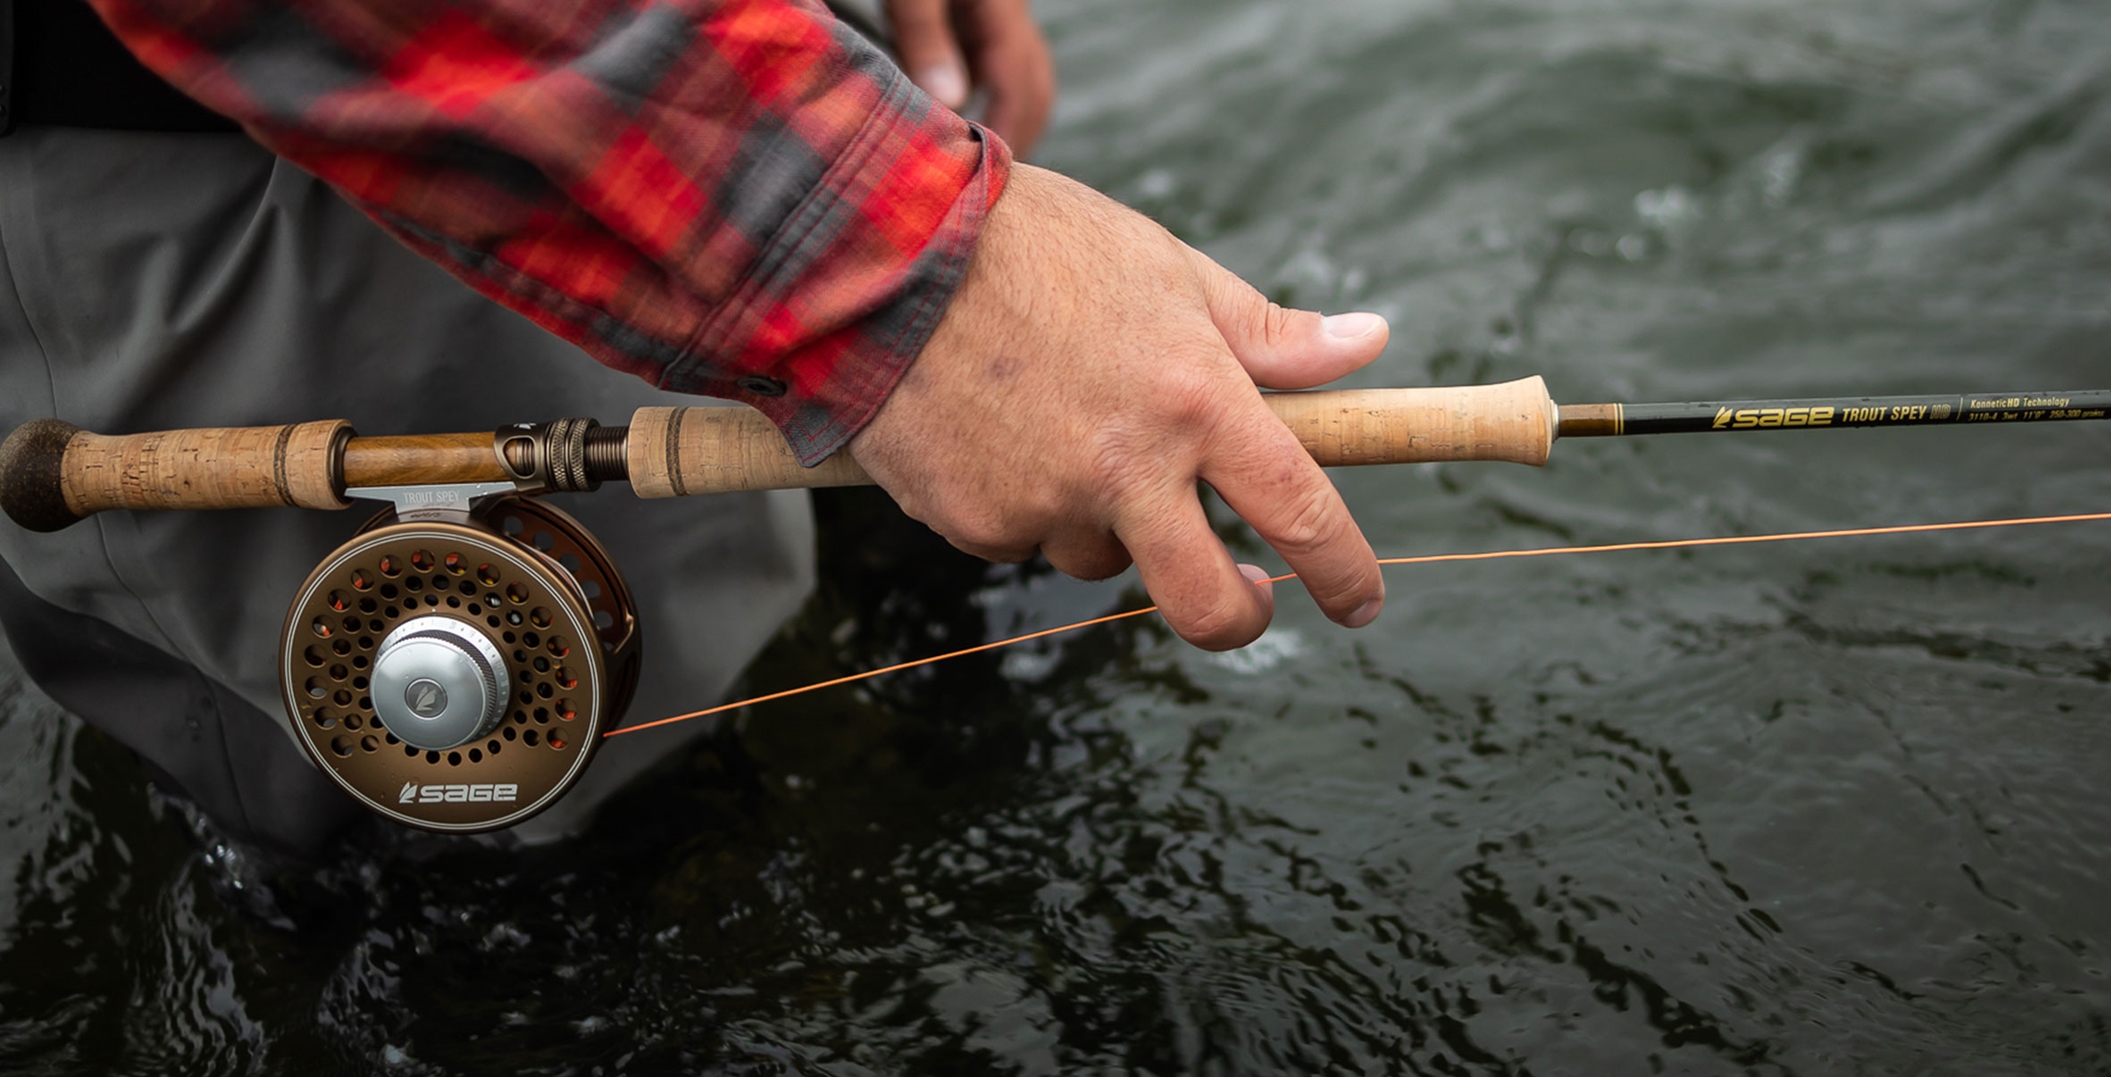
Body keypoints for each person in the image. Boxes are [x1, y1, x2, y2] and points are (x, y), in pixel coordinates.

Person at [0, 0, 1390, 854]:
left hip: (731, 57)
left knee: (933, 648)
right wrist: (893, 255)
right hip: (251, 121)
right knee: (532, 878)